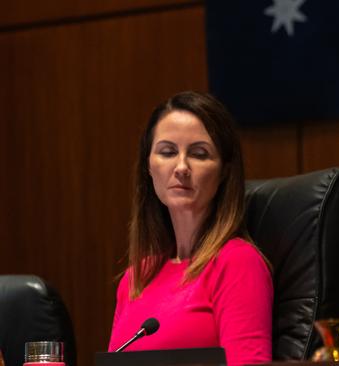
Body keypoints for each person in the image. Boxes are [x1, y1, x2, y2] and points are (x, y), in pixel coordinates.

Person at [108, 91, 273, 366]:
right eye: (168, 152)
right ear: (149, 167)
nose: (182, 167)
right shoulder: (135, 277)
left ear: (224, 171)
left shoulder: (237, 263)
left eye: (199, 154)